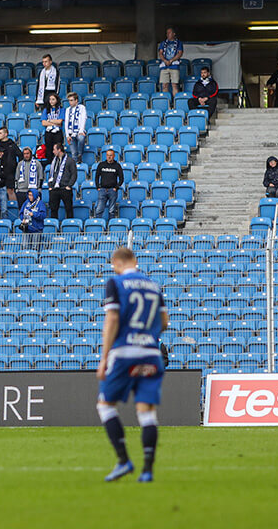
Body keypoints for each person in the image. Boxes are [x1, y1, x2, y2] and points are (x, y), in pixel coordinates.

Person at [96, 246, 167, 483]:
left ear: (116, 262)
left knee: (106, 405)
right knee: (146, 412)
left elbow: (113, 318)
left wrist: (105, 357)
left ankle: (124, 460)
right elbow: (164, 321)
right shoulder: (154, 286)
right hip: (150, 352)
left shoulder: (115, 283)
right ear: (135, 261)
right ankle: (147, 470)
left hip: (125, 352)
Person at [92, 148, 125, 220]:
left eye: (110, 155)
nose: (109, 157)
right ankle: (98, 225)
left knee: (111, 210)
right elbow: (97, 176)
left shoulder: (117, 166)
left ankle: (111, 226)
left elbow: (121, 179)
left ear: (114, 156)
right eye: (107, 155)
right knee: (99, 210)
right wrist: (98, 187)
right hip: (102, 190)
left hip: (112, 191)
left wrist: (116, 188)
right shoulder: (101, 165)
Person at [46, 143, 76, 220]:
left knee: (69, 209)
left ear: (59, 150)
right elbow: (51, 173)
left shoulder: (70, 160)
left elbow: (74, 174)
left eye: (54, 150)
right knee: (53, 209)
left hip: (65, 189)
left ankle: (70, 227)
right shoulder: (54, 161)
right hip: (54, 189)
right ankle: (54, 228)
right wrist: (50, 186)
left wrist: (69, 186)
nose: (53, 152)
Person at [156, 26, 184, 98]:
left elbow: (180, 53)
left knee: (174, 85)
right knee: (164, 85)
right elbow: (160, 53)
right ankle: (166, 102)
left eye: (169, 33)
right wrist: (165, 61)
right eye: (167, 33)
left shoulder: (178, 43)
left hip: (174, 66)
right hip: (164, 66)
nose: (168, 34)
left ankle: (175, 103)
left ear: (174, 34)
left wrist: (171, 60)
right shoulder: (163, 43)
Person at [63, 92, 88, 162]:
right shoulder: (68, 109)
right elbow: (66, 122)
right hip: (71, 133)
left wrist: (81, 130)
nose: (70, 102)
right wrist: (67, 135)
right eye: (69, 100)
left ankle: (80, 154)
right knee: (73, 153)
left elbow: (83, 119)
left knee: (81, 138)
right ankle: (75, 167)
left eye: (71, 100)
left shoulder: (82, 108)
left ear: (76, 100)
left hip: (79, 131)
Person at [41, 92, 64, 159]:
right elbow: (43, 123)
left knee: (58, 149)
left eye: (53, 99)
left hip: (58, 133)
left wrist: (49, 120)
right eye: (50, 99)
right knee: (49, 150)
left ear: (57, 100)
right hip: (48, 133)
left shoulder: (61, 109)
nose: (51, 101)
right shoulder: (46, 110)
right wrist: (55, 122)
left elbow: (60, 122)